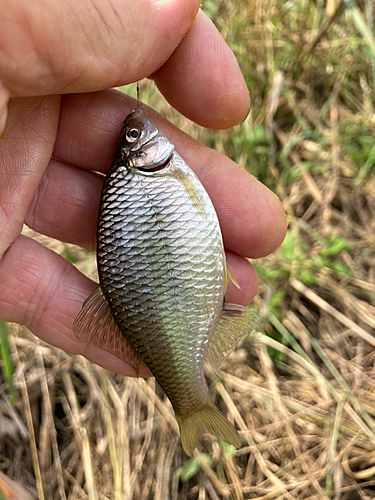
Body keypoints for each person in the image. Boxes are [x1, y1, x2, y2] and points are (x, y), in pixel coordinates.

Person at [0, 1, 287, 377]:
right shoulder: (157, 174)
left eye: (131, 135)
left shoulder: (148, 177)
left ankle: (187, 388)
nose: (136, 129)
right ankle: (188, 393)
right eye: (134, 135)